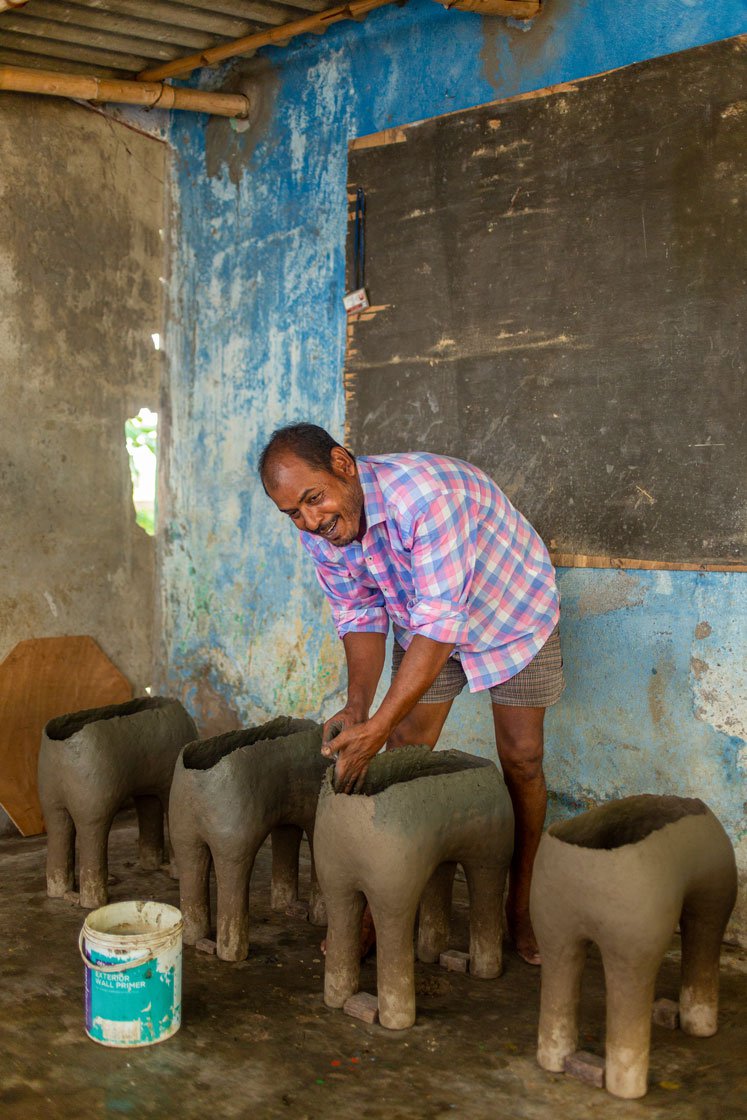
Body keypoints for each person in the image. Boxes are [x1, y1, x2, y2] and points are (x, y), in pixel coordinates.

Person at [258, 423, 563, 964]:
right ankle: (381, 912)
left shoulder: (428, 498)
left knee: (522, 758)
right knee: (404, 749)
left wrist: (377, 725)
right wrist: (359, 708)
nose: (310, 521)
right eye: (292, 514)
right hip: (424, 622)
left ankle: (523, 905)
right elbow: (359, 613)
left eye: (313, 498)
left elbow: (442, 625)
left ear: (343, 464)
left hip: (513, 612)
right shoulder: (321, 529)